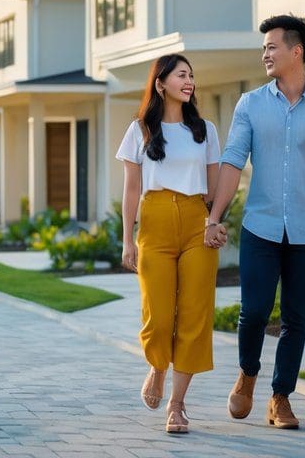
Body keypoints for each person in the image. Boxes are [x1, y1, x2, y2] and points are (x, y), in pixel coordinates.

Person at [205, 14, 305, 430]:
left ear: (297, 51)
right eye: (263, 48)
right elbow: (233, 161)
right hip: (261, 226)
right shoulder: (250, 105)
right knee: (254, 312)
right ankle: (247, 373)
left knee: (295, 318)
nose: (265, 54)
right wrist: (213, 217)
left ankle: (281, 397)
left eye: (272, 46)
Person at [118, 53, 223, 435]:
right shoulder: (140, 130)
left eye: (192, 75)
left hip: (198, 221)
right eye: (181, 75)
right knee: (158, 316)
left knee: (195, 316)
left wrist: (216, 222)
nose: (189, 80)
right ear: (161, 83)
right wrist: (127, 239)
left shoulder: (206, 130)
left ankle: (177, 406)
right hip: (156, 222)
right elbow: (131, 189)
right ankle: (157, 366)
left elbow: (214, 189)